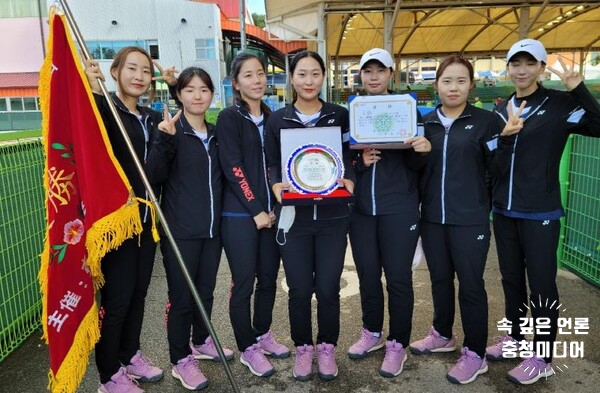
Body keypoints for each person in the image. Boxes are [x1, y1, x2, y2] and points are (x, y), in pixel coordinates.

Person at [485, 38, 600, 385]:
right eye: (515, 64)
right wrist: (503, 137)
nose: (521, 70)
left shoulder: (560, 103)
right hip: (504, 210)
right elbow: (492, 159)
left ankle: (543, 356)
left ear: (540, 67)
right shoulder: (500, 107)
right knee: (509, 280)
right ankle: (516, 340)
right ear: (508, 68)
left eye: (529, 63)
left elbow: (597, 126)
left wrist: (578, 89)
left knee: (542, 285)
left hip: (540, 212)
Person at [265, 50, 355, 382]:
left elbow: (350, 156)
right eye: (302, 74)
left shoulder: (339, 116)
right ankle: (304, 347)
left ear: (323, 77)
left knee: (329, 288)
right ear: (292, 78)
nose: (308, 80)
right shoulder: (278, 120)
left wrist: (351, 178)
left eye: (315, 74)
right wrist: (276, 182)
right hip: (294, 218)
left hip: (333, 217)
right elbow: (272, 160)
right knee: (300, 289)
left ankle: (327, 347)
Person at [408, 55, 497, 384]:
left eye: (461, 81)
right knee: (440, 280)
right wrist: (419, 154)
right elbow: (415, 172)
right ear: (436, 85)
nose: (454, 87)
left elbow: (497, 169)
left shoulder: (487, 122)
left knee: (471, 286)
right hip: (432, 218)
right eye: (447, 81)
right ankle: (442, 334)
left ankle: (476, 353)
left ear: (471, 85)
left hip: (469, 220)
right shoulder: (426, 122)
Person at [146, 67, 234, 391]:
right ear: (180, 94)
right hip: (180, 232)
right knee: (182, 298)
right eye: (190, 90)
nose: (197, 96)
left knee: (206, 292)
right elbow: (153, 176)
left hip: (212, 232)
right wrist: (164, 142)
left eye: (204, 89)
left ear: (212, 95)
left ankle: (201, 341)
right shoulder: (170, 131)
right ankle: (180, 359)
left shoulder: (215, 135)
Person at [345, 48, 431, 378]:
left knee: (398, 279)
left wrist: (421, 151)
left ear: (391, 75)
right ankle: (371, 333)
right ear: (361, 76)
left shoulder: (408, 111)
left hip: (400, 210)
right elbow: (342, 161)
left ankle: (397, 344)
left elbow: (419, 165)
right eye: (368, 71)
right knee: (368, 276)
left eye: (380, 70)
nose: (374, 76)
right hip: (363, 212)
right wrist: (359, 163)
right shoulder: (352, 114)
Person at [84, 47, 163, 393]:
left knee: (139, 293)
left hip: (147, 220)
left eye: (145, 71)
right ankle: (108, 374)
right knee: (116, 300)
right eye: (131, 68)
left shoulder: (150, 117)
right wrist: (95, 89)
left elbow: (156, 168)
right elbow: (93, 128)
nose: (139, 76)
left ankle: (130, 355)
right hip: (118, 222)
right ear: (115, 71)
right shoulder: (107, 111)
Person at [215, 52, 290, 378]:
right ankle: (247, 348)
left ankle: (262, 334)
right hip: (240, 216)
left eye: (261, 74)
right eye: (248, 75)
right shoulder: (230, 118)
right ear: (236, 83)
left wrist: (273, 208)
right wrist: (256, 209)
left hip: (272, 215)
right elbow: (233, 167)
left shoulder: (273, 117)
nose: (257, 80)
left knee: (269, 280)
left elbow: (281, 164)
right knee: (244, 282)